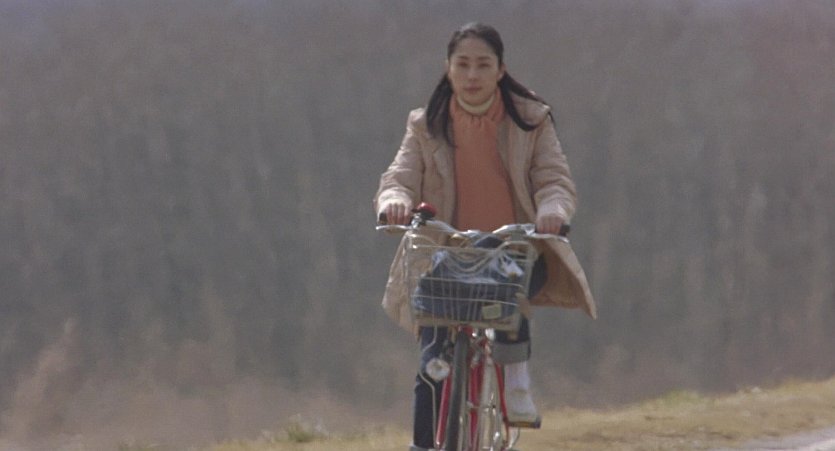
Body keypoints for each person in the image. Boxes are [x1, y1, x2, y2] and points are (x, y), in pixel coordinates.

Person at [373, 22, 597, 451]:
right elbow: (399, 177)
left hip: (514, 249)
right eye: (463, 65)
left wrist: (552, 211)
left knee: (511, 293)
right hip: (444, 256)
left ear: (500, 70)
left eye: (482, 65)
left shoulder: (531, 121)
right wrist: (395, 201)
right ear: (448, 68)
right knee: (432, 364)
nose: (472, 75)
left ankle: (515, 377)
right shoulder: (425, 124)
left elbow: (554, 180)